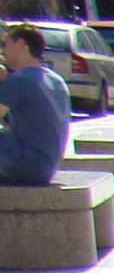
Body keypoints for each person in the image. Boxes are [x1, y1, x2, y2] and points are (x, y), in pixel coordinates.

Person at [0, 24, 71, 186]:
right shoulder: (56, 80)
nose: (2, 51)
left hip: (25, 166)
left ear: (21, 45)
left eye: (5, 44)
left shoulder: (19, 80)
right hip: (47, 167)